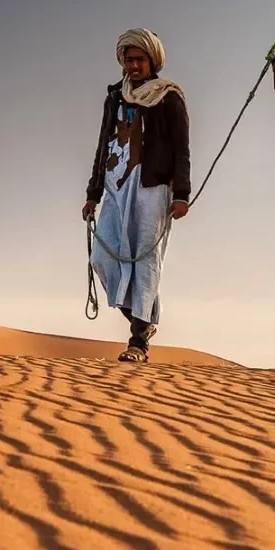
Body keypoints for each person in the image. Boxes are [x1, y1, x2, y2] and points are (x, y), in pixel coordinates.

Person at [82, 28, 191, 363]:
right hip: (116, 186)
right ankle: (144, 321)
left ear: (151, 61)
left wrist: (181, 192)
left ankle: (138, 343)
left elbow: (180, 148)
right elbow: (103, 145)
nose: (133, 65)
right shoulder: (115, 97)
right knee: (102, 257)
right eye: (128, 59)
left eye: (140, 59)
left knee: (145, 263)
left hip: (153, 186)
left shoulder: (168, 97)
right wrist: (93, 193)